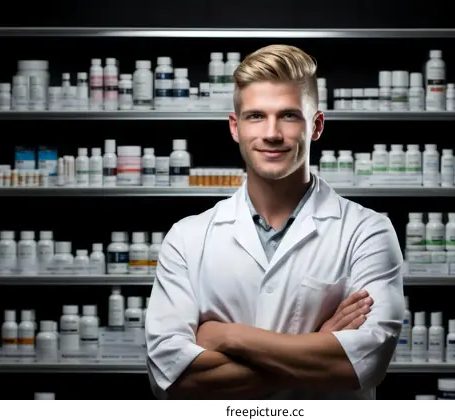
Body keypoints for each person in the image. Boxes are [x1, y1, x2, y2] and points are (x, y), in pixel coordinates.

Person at [145, 44, 405, 400]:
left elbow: (363, 365)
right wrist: (317, 345)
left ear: (316, 126)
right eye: (255, 116)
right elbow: (172, 380)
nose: (271, 133)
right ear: (235, 127)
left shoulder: (367, 231)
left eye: (288, 115)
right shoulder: (187, 238)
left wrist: (228, 337)